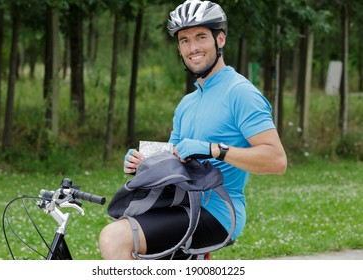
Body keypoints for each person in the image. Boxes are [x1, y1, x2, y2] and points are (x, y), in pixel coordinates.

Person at [99, 0, 287, 260]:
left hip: (219, 212)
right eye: (184, 40)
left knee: (115, 238)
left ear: (220, 39)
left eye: (201, 37)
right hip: (181, 203)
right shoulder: (187, 103)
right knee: (124, 223)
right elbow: (174, 160)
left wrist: (213, 149)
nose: (193, 47)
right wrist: (142, 162)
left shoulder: (240, 93)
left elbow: (276, 161)